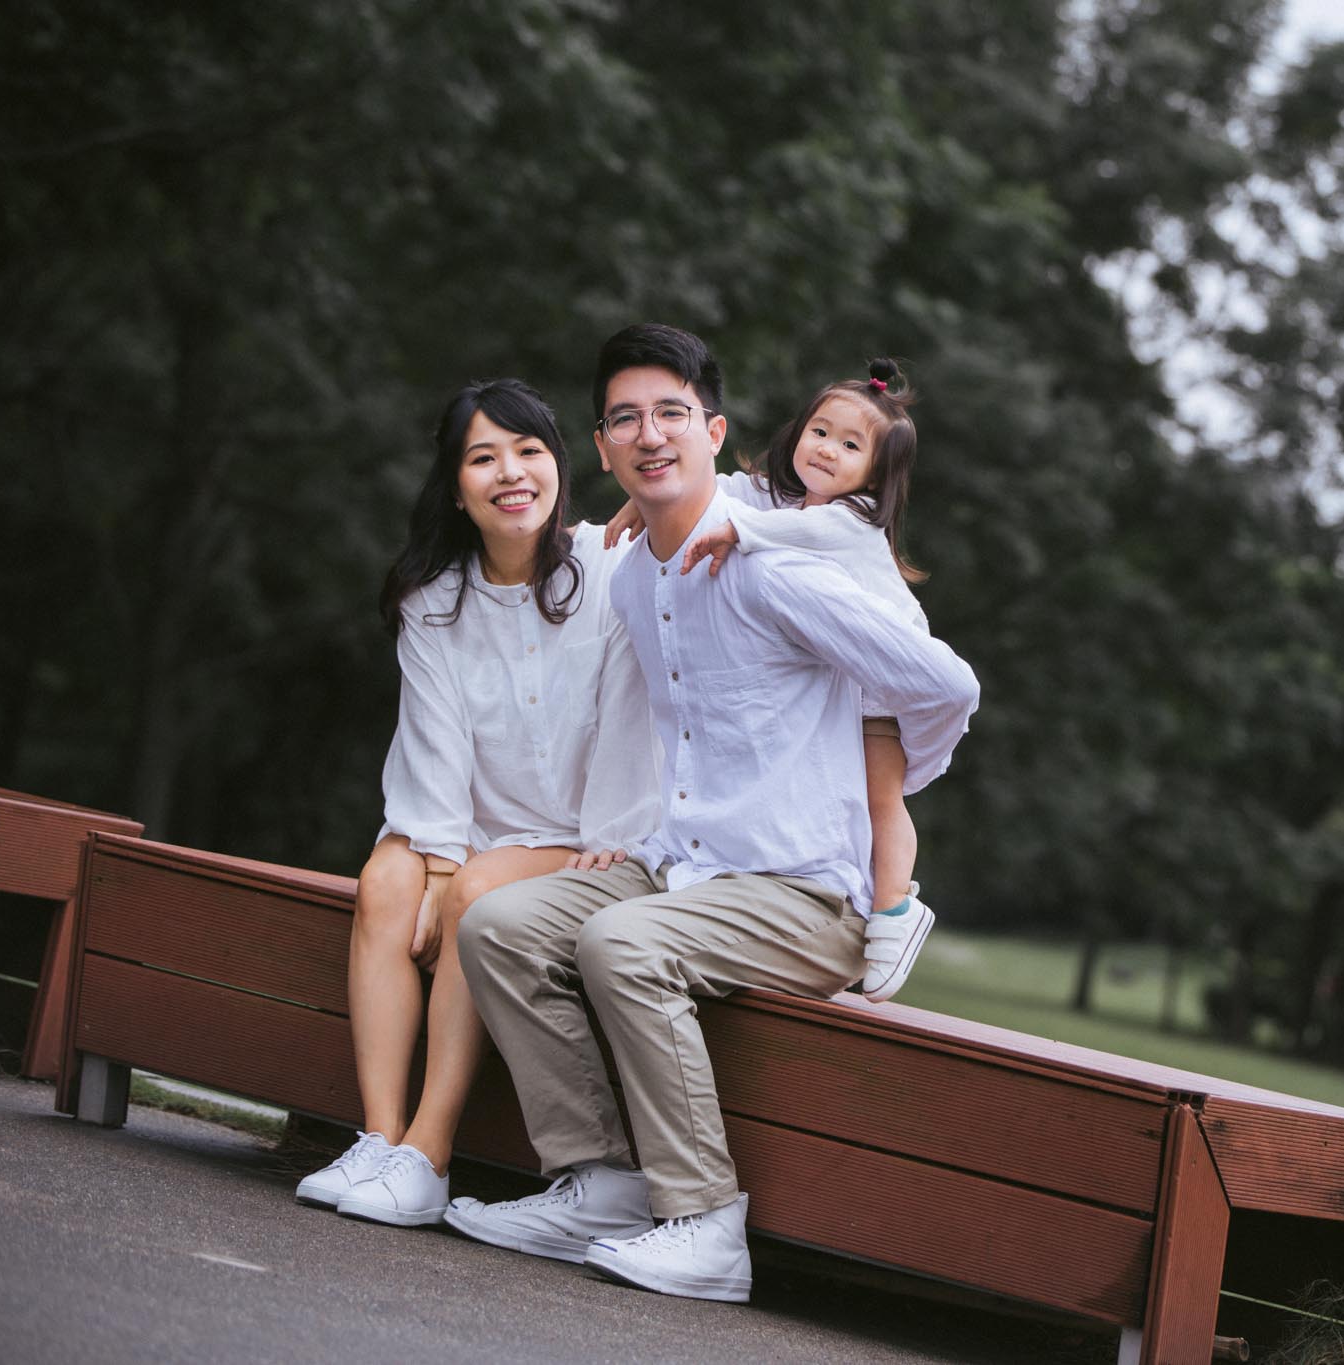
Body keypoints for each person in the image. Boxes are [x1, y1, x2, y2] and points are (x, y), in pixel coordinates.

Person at [445, 324, 979, 1304]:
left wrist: (886, 779)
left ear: (714, 432)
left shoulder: (776, 569)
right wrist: (618, 834)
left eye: (671, 414)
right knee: (497, 925)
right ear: (602, 448)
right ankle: (600, 1182)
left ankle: (704, 1224)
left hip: (803, 893)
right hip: (679, 867)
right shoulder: (635, 572)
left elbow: (946, 686)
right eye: (625, 419)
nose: (649, 435)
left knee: (622, 945)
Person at [294, 379, 660, 1229]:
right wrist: (433, 866)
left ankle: (429, 1154)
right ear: (457, 488)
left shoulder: (612, 568)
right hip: (464, 830)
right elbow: (434, 748)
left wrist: (459, 879)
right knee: (384, 883)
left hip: (585, 838)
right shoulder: (433, 600)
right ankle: (380, 1139)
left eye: (529, 451)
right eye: (483, 458)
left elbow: (627, 739)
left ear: (560, 464)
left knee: (476, 889)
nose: (511, 473)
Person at [602, 357, 936, 1002]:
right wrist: (645, 498)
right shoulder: (779, 499)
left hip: (882, 687)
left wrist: (734, 528)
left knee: (881, 799)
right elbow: (720, 484)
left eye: (851, 446)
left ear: (876, 474)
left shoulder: (849, 520)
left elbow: (776, 525)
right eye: (820, 431)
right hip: (841, 679)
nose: (828, 449)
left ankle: (895, 908)